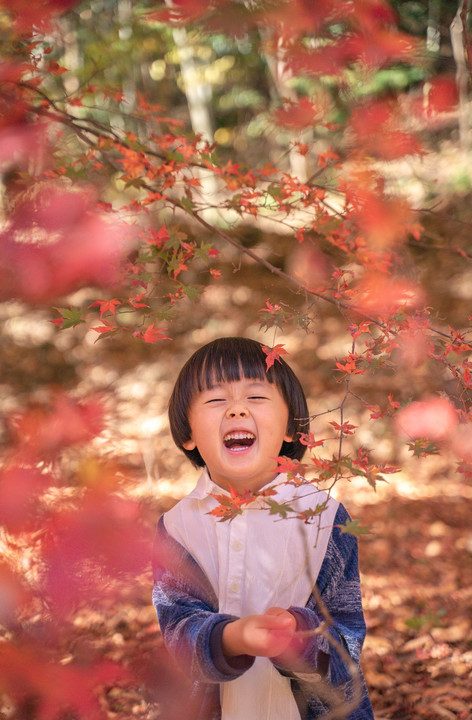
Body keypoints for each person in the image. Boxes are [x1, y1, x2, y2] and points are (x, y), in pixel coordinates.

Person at [152, 337, 374, 720]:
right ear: (187, 432)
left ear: (291, 428)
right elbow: (177, 629)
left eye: (256, 398)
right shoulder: (178, 528)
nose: (237, 410)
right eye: (215, 400)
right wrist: (230, 638)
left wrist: (299, 635)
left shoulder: (324, 517)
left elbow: (347, 638)